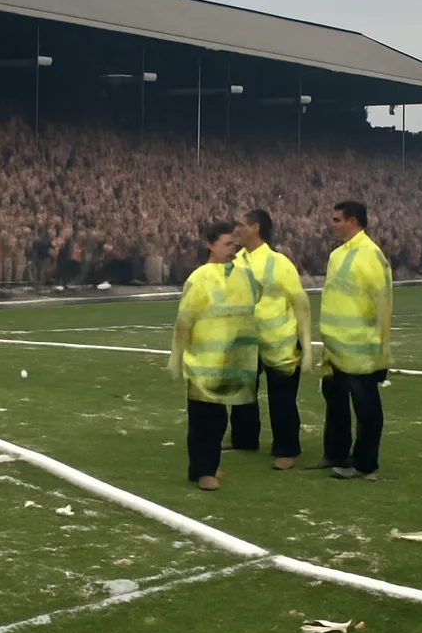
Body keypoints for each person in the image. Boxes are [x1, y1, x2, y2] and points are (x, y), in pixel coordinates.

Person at [168, 221, 261, 491]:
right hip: (204, 363)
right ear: (210, 245)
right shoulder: (199, 278)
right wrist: (176, 357)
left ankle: (203, 466)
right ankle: (204, 471)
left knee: (218, 419)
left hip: (229, 362)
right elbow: (184, 321)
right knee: (204, 420)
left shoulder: (242, 275)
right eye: (227, 244)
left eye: (234, 244)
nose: (233, 249)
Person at [312, 201, 393, 480]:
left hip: (360, 348)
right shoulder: (337, 255)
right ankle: (335, 453)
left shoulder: (371, 255)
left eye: (337, 220)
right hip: (335, 346)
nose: (332, 224)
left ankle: (365, 463)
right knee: (335, 402)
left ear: (354, 221)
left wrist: (382, 350)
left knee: (366, 407)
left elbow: (383, 304)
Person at [230, 209, 313, 469]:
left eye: (241, 225)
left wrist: (307, 345)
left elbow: (301, 304)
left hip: (280, 341)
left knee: (282, 399)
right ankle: (243, 439)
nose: (237, 230)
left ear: (256, 228)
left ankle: (287, 448)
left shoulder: (279, 263)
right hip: (245, 340)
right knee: (242, 392)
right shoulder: (235, 261)